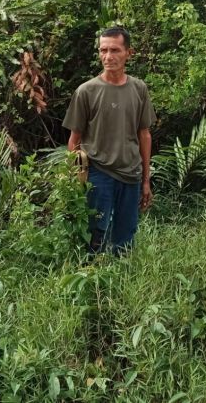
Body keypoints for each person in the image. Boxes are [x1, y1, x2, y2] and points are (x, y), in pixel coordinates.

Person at [63, 27, 156, 255]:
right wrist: (73, 180)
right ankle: (92, 282)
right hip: (98, 172)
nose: (108, 56)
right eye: (103, 50)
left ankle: (121, 283)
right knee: (95, 234)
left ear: (128, 53)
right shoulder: (86, 91)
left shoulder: (139, 89)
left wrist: (146, 180)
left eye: (114, 50)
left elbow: (144, 135)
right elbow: (74, 140)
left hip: (131, 174)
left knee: (125, 237)